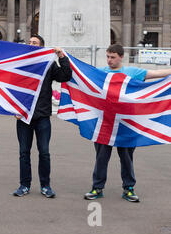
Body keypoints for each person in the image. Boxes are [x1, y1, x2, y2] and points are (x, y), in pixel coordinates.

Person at [84, 44, 171, 202]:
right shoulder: (101, 72)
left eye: (113, 57)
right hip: (105, 123)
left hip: (126, 123)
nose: (109, 60)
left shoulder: (132, 72)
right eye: (108, 57)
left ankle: (129, 188)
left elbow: (157, 73)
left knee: (126, 157)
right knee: (101, 157)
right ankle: (97, 188)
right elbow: (80, 74)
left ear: (121, 57)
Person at [13, 35, 72, 198]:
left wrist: (61, 56)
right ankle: (24, 185)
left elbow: (65, 76)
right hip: (23, 116)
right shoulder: (21, 64)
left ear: (42, 47)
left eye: (35, 43)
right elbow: (12, 87)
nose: (31, 44)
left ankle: (45, 186)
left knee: (44, 152)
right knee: (24, 152)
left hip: (42, 116)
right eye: (29, 42)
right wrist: (15, 109)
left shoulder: (48, 64)